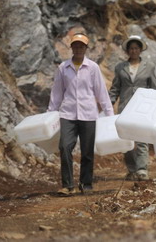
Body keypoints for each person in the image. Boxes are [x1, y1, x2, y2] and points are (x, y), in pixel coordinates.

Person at [48, 33, 114, 196]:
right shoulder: (63, 68)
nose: (78, 49)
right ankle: (68, 185)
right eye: (75, 46)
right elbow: (57, 93)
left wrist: (109, 113)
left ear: (86, 48)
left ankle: (86, 183)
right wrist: (50, 114)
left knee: (87, 151)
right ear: (71, 48)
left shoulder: (93, 67)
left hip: (88, 114)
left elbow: (101, 92)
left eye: (81, 46)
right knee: (64, 147)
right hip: (68, 114)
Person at [109, 35, 156, 181]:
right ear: (127, 51)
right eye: (131, 48)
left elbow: (154, 87)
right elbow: (115, 88)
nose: (134, 51)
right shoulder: (120, 68)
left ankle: (142, 169)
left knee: (142, 139)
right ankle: (131, 169)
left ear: (140, 50)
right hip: (125, 107)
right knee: (127, 140)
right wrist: (109, 102)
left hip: (142, 107)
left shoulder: (149, 67)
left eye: (136, 48)